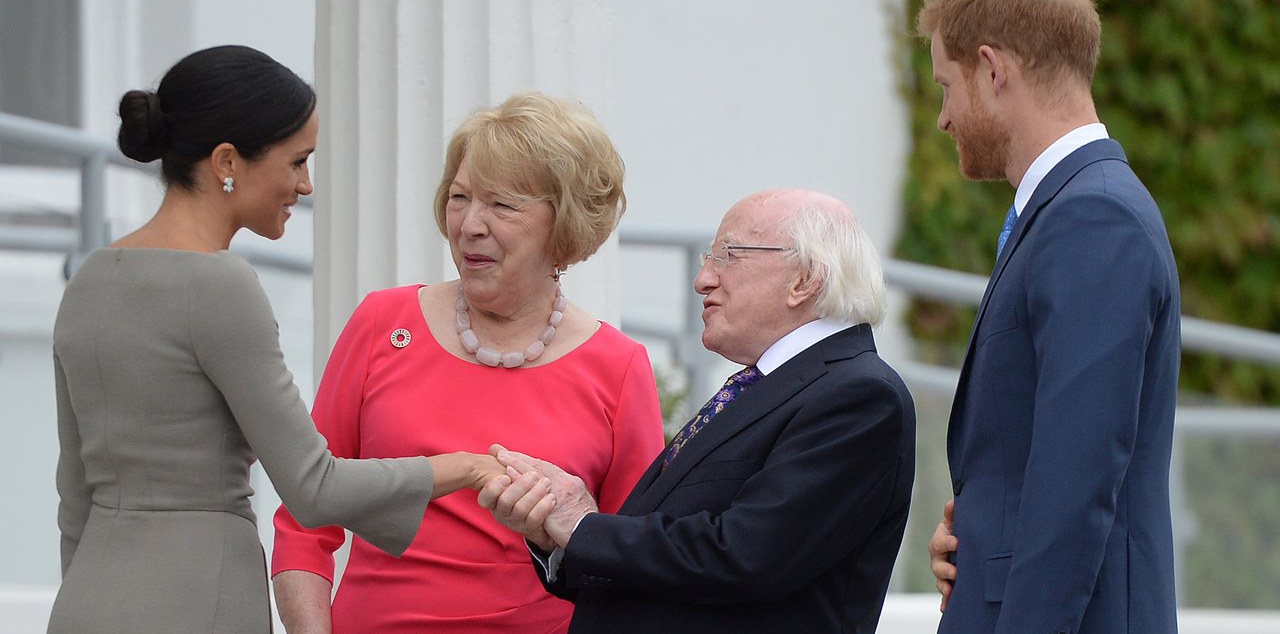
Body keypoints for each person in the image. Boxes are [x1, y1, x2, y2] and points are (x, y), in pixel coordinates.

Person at [48, 45, 504, 634]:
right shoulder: (219, 285)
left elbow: (74, 497)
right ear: (226, 161)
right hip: (197, 597)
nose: (306, 185)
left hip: (87, 599)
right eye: (297, 162)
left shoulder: (89, 278)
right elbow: (313, 486)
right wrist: (467, 467)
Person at [270, 91, 665, 633]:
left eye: (502, 205)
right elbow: (304, 520)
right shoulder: (383, 321)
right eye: (460, 198)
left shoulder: (618, 366)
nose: (469, 224)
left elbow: (633, 562)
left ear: (566, 224)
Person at [480, 189, 916, 634]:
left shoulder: (858, 395)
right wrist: (555, 530)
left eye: (727, 256)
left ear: (804, 279)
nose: (703, 278)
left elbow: (747, 556)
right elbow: (674, 551)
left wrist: (583, 526)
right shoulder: (768, 384)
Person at [917, 0, 1182, 631]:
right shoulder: (1074, 211)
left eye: (947, 86)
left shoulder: (1093, 218)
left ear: (993, 68)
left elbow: (1076, 488)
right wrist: (981, 537)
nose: (945, 117)